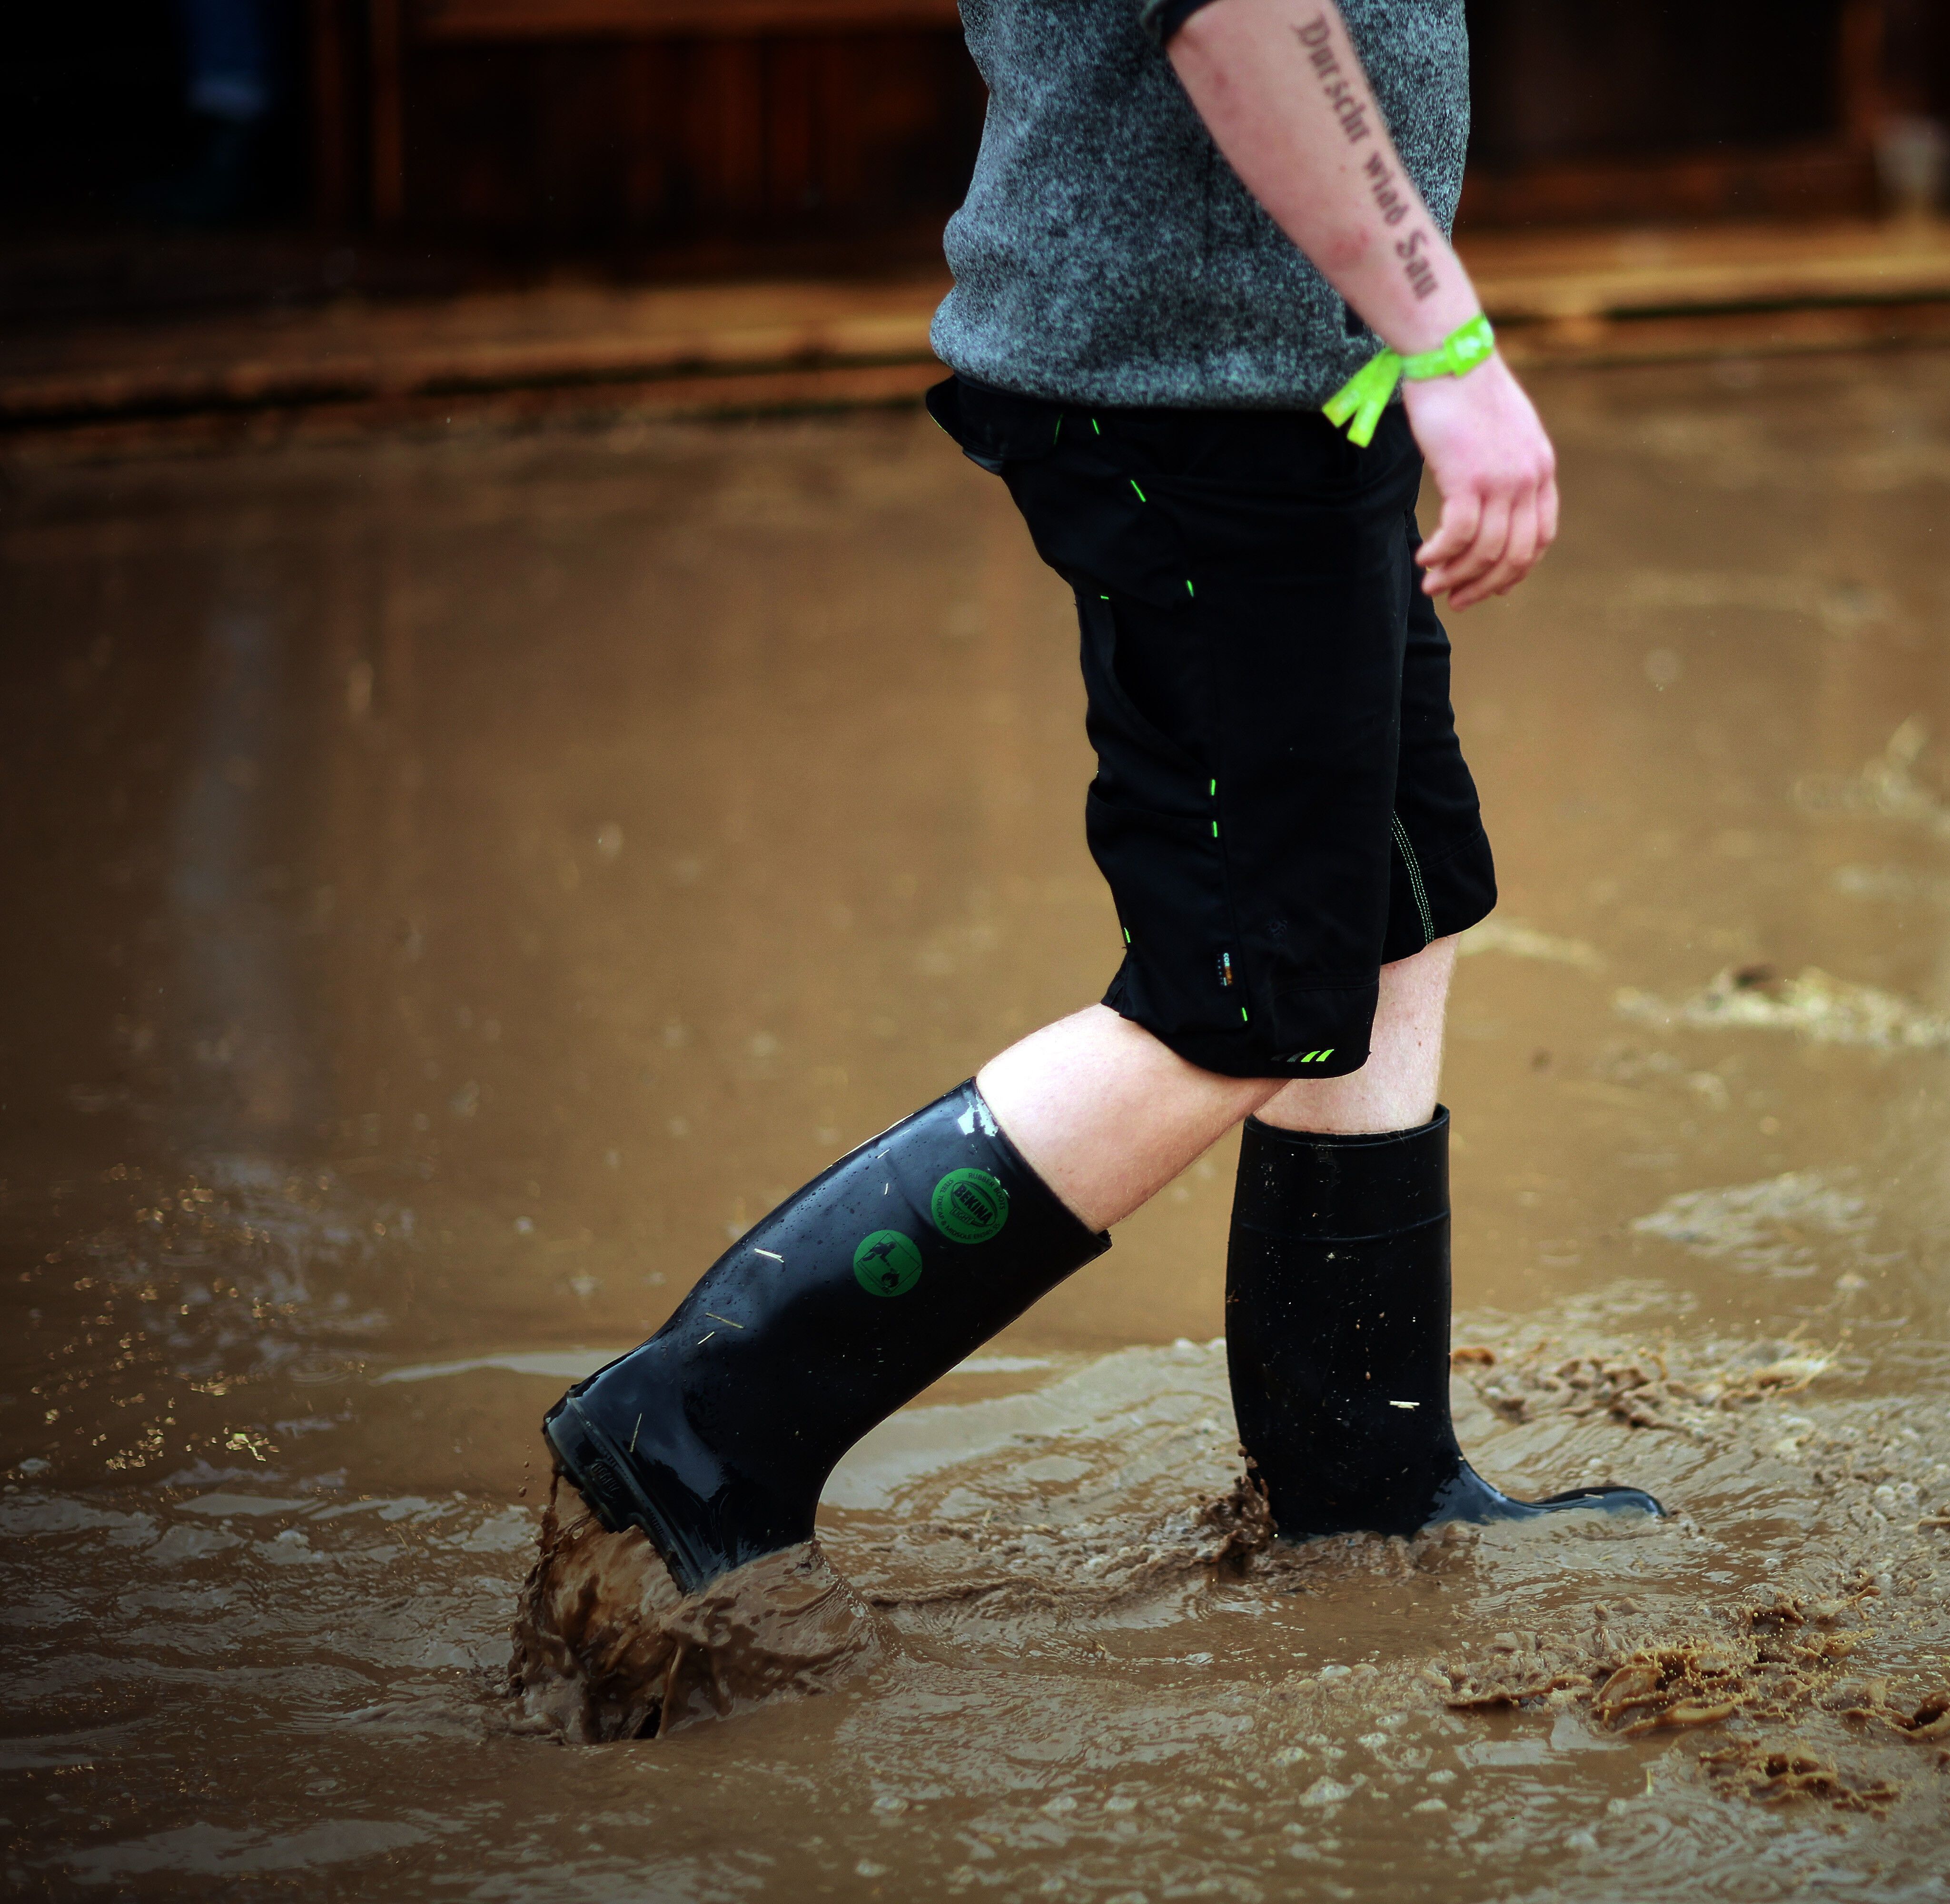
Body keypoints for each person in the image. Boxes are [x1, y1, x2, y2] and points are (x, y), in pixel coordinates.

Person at [542, 0, 1662, 1597]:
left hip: (1273, 369)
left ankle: (1367, 1481)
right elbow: (1238, 15)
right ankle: (698, 1428)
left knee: (1396, 892)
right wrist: (1446, 339)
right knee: (1248, 991)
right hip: (1200, 392)